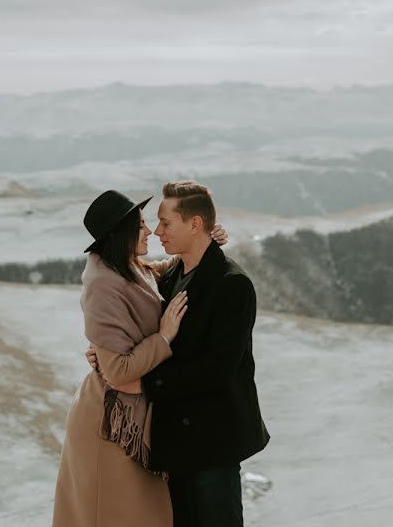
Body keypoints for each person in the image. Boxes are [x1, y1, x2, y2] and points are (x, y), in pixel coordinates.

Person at [89, 180, 270, 527]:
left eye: (165, 222)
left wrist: (145, 384)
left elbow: (217, 369)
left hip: (213, 446)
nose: (156, 231)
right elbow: (128, 319)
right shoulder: (171, 276)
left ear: (195, 224)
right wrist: (103, 351)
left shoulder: (232, 284)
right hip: (175, 447)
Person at [52, 189, 228, 527]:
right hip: (112, 426)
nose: (149, 232)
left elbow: (157, 274)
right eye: (141, 226)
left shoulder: (127, 268)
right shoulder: (103, 286)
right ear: (120, 236)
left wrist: (204, 243)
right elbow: (117, 371)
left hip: (129, 420)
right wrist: (163, 336)